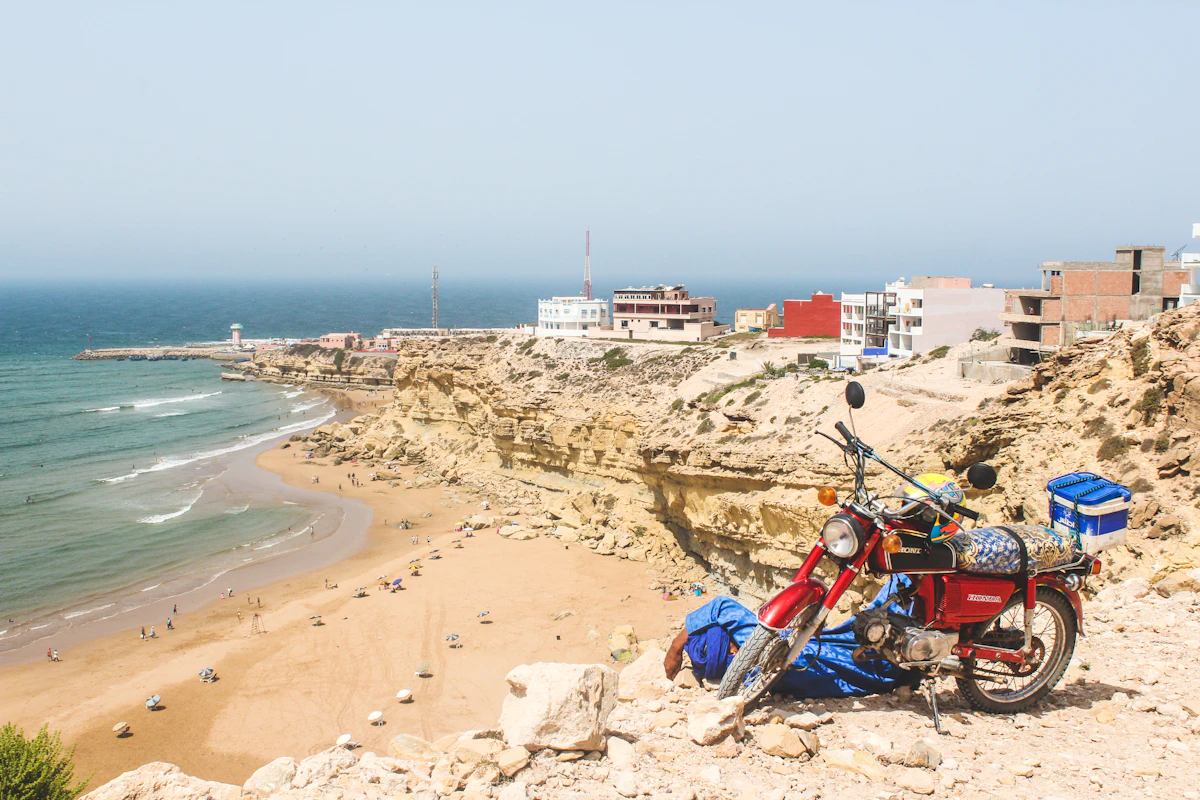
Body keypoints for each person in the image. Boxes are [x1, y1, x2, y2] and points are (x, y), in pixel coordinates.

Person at [662, 575, 920, 699]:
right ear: (731, 646)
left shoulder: (760, 676)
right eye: (732, 639)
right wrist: (675, 646)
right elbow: (721, 606)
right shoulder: (776, 656)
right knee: (901, 588)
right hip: (884, 660)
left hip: (883, 672)